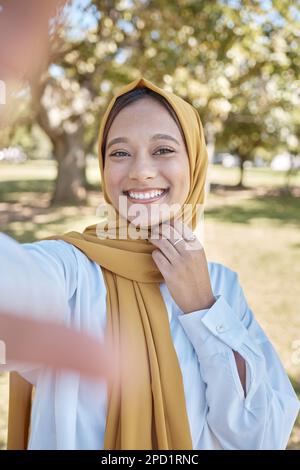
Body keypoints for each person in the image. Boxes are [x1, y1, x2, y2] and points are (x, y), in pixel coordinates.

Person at [1, 77, 299, 450]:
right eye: (120, 153)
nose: (140, 170)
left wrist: (202, 307)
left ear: (194, 163)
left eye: (162, 150)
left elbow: (260, 434)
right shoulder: (73, 267)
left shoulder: (222, 286)